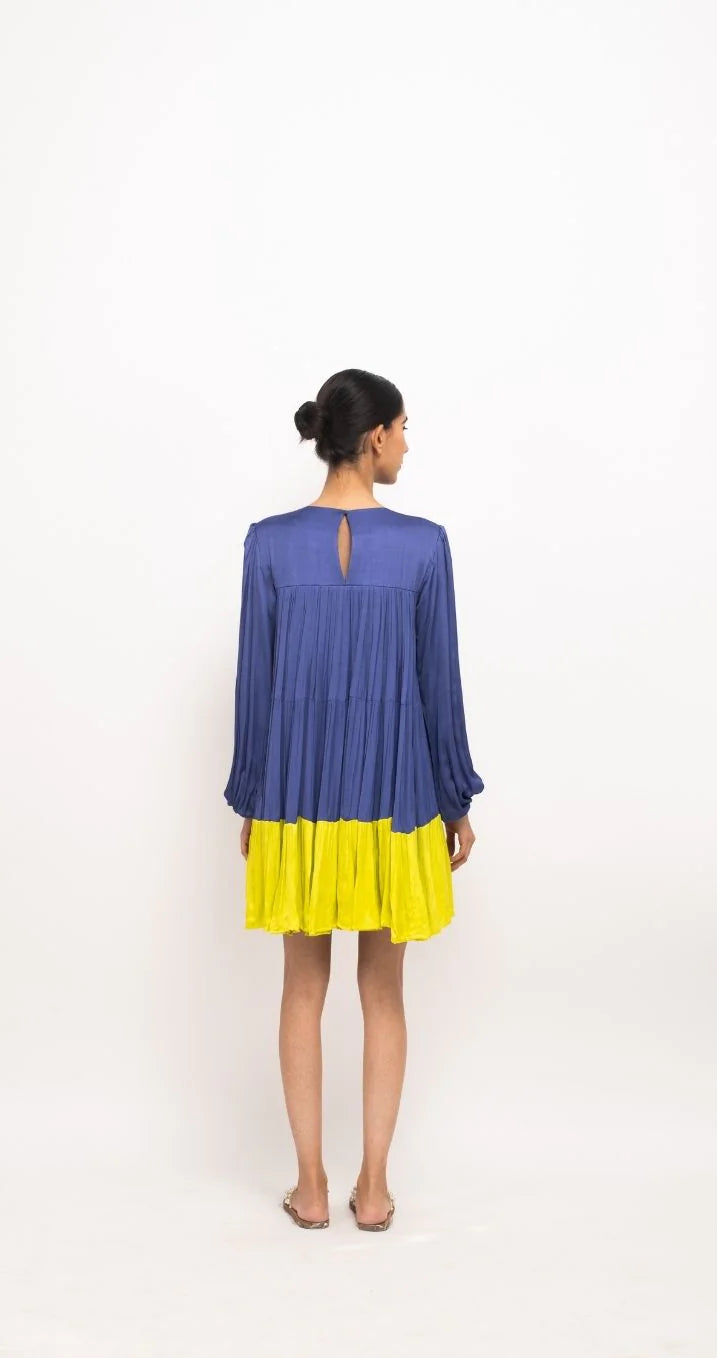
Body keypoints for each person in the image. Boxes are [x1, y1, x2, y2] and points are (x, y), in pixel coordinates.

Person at [223, 368, 484, 1232]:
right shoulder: (424, 546)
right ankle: (373, 1189)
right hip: (395, 799)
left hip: (297, 799)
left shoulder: (268, 544)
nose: (408, 443)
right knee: (384, 992)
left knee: (302, 987)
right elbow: (439, 686)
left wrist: (253, 798)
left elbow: (254, 685)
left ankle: (310, 1188)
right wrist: (454, 797)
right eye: (404, 428)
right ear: (374, 438)